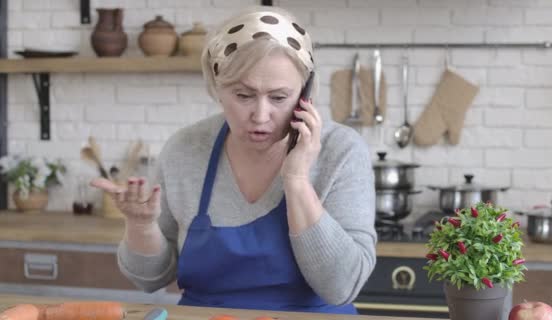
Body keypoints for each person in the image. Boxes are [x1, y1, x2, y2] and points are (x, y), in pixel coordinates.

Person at [91, 6, 376, 315]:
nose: (260, 115)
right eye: (243, 95)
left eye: (279, 98)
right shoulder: (185, 150)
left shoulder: (342, 151)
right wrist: (141, 226)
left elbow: (342, 287)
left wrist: (296, 180)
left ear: (305, 94)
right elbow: (150, 280)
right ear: (217, 86)